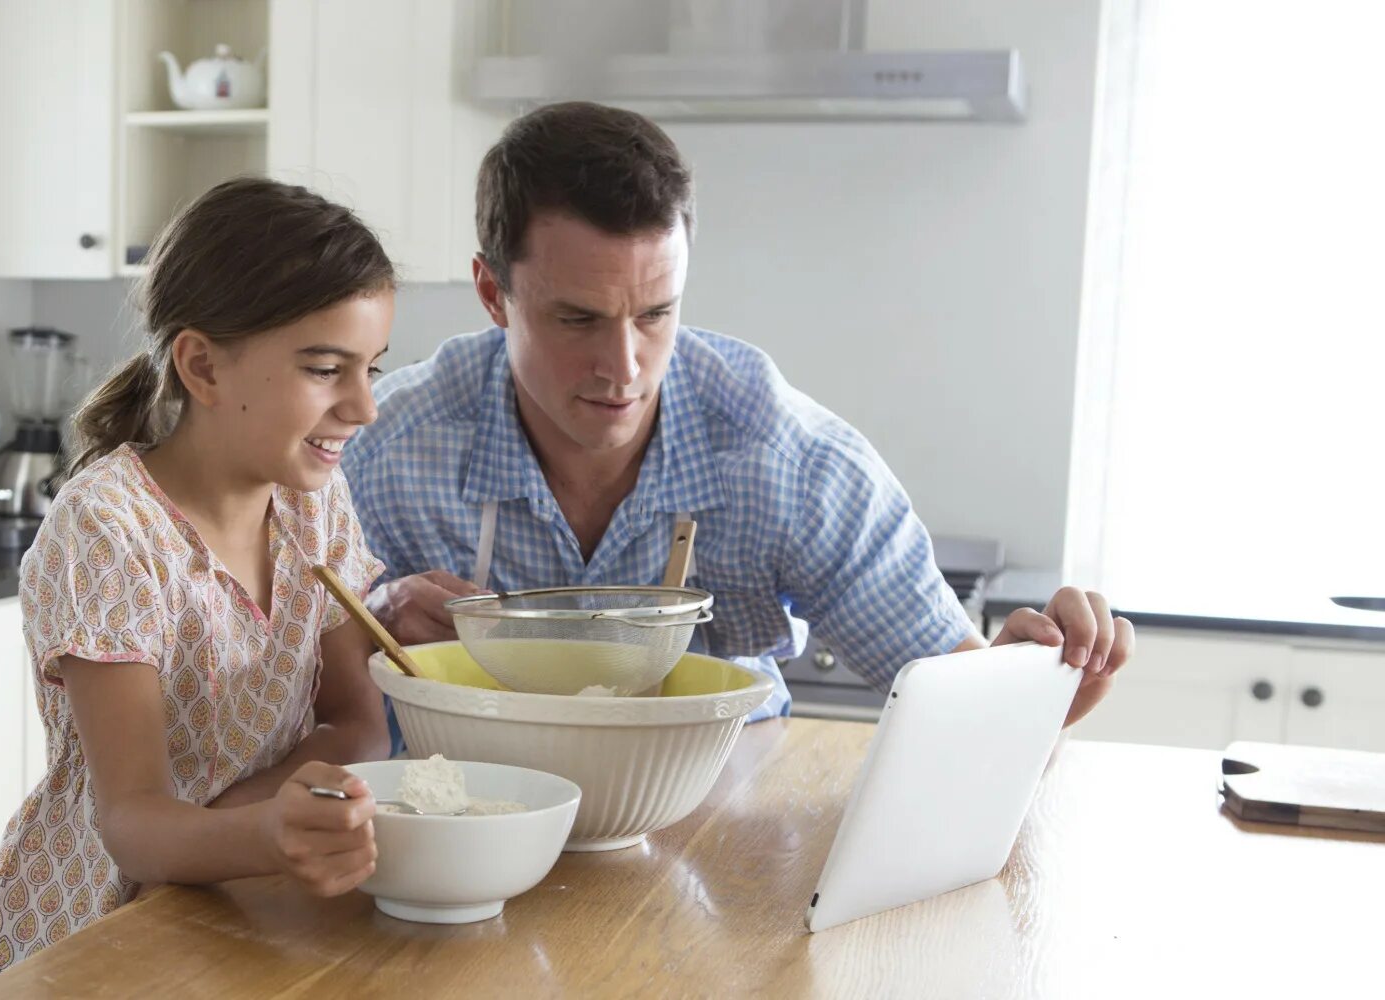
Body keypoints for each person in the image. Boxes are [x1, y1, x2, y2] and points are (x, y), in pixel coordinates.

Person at [343, 102, 1132, 736]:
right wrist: (362, 627)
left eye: (656, 313)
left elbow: (974, 715)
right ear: (492, 294)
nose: (624, 369)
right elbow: (272, 705)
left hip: (726, 826)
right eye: (578, 320)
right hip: (482, 822)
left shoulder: (785, 458)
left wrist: (1056, 676)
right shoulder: (381, 451)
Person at [0, 177, 396, 983]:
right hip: (97, 935)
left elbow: (359, 720)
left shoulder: (315, 504)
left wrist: (248, 819)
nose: (364, 406)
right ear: (202, 365)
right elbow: (132, 823)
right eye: (325, 368)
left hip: (231, 913)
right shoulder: (109, 529)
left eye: (373, 367)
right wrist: (268, 827)